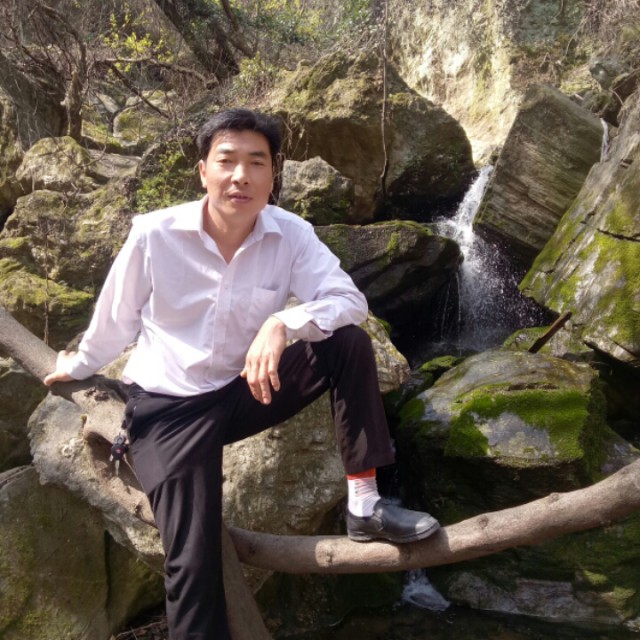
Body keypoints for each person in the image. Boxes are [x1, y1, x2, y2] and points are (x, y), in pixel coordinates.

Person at [44, 108, 440, 639]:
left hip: (245, 391)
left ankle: (365, 505)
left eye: (257, 162)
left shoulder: (291, 234)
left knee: (347, 342)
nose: (241, 176)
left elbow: (349, 301)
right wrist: (77, 366)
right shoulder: (154, 234)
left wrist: (283, 323)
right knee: (193, 559)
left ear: (273, 175)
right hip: (169, 409)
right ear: (203, 171)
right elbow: (115, 321)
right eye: (227, 161)